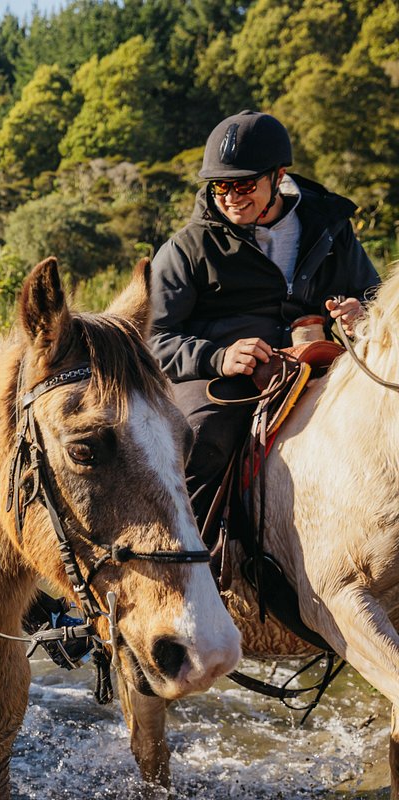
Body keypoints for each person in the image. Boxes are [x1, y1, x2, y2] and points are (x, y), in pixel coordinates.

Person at [149, 110, 380, 534]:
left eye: (243, 184)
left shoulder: (331, 228)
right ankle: (192, 567)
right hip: (220, 379)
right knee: (201, 442)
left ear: (278, 176)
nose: (231, 197)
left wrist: (362, 315)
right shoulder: (185, 249)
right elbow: (153, 340)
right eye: (220, 186)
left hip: (318, 364)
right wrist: (218, 358)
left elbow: (376, 298)